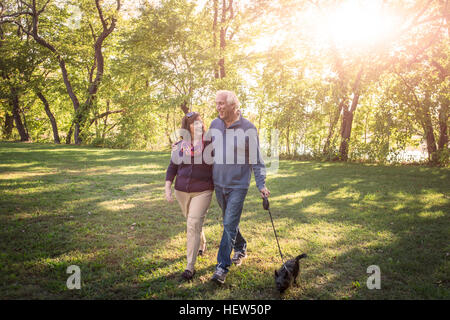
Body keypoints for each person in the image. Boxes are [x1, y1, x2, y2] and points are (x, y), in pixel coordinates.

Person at [209, 90, 270, 284]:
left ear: (233, 106)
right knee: (230, 222)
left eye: (221, 104)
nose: (218, 107)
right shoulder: (214, 124)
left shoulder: (248, 128)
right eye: (217, 103)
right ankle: (241, 246)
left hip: (238, 186)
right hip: (219, 183)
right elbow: (205, 149)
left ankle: (221, 268)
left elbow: (257, 161)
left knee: (228, 224)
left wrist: (261, 184)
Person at [165, 112, 214, 281]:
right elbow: (172, 167)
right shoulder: (180, 145)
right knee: (192, 222)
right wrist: (167, 188)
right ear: (187, 127)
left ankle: (189, 267)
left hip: (203, 190)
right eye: (194, 123)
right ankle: (202, 242)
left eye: (200, 122)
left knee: (192, 223)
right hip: (181, 191)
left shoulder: (211, 143)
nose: (198, 125)